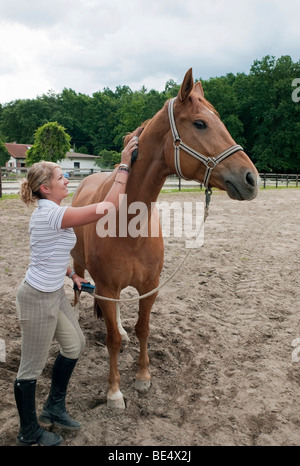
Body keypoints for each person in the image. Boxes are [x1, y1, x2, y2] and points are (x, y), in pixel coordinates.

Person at [14, 137, 138, 446]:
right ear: (45, 188)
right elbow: (107, 207)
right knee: (30, 367)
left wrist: (72, 274)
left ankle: (54, 407)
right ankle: (28, 433)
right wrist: (123, 164)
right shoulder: (50, 214)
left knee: (75, 345)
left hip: (55, 290)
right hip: (36, 297)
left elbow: (50, 252)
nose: (66, 179)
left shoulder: (56, 211)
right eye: (60, 177)